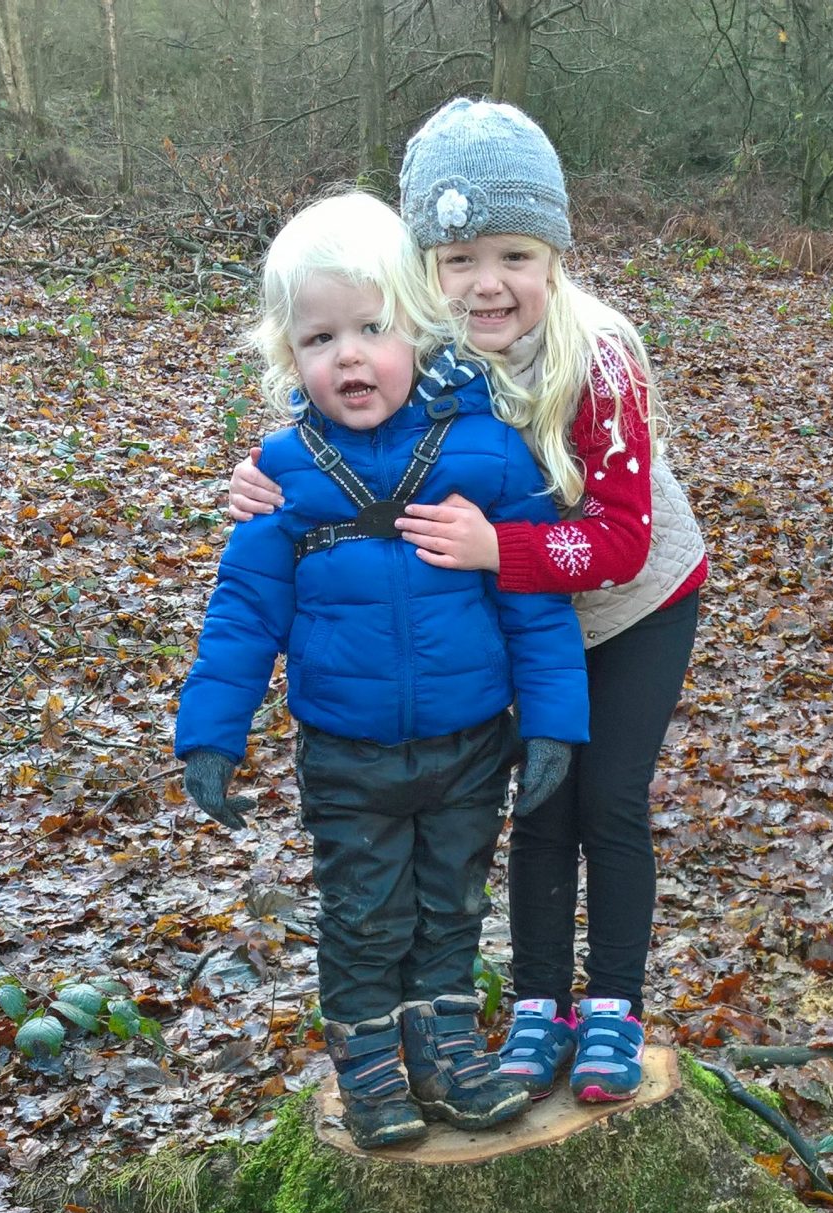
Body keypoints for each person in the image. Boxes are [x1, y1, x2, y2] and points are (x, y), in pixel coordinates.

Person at [229, 100, 706, 1106]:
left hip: (634, 601)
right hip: (518, 617)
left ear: (555, 256)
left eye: (515, 255)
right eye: (458, 259)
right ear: (423, 269)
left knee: (605, 799)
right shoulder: (422, 339)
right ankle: (535, 1004)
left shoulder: (599, 354)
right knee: (536, 805)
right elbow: (337, 402)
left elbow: (622, 541)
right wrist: (265, 476)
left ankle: (612, 1006)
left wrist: (500, 547)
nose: (487, 283)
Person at [177, 190, 589, 1150]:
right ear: (291, 357)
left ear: (420, 332)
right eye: (320, 339)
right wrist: (210, 737)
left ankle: (449, 1055)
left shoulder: (486, 453)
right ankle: (368, 1068)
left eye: (372, 329)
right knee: (364, 913)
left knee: (451, 904)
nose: (349, 357)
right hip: (348, 752)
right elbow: (243, 613)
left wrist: (552, 725)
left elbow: (534, 602)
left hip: (469, 740)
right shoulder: (285, 475)